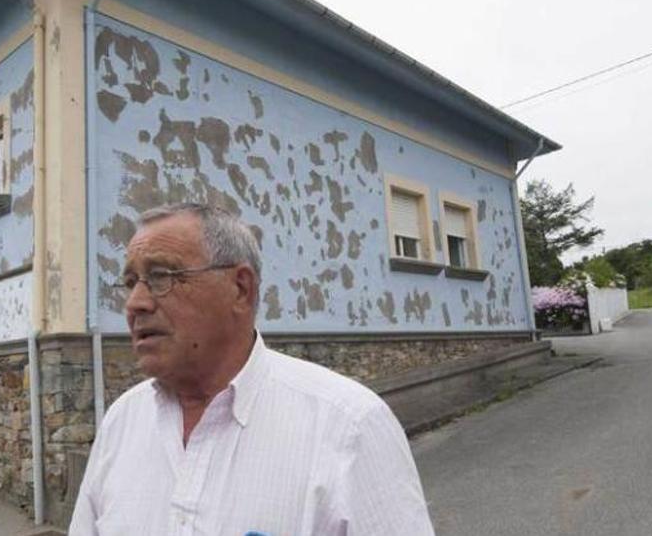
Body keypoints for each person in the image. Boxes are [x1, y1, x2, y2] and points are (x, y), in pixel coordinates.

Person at [69, 203, 435, 535]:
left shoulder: (349, 426)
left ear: (240, 289)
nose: (135, 303)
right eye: (131, 282)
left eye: (162, 276)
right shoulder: (121, 422)